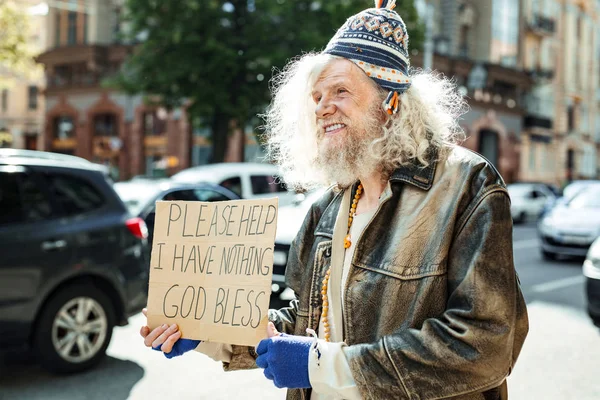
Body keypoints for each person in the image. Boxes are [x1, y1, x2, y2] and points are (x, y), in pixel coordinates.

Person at [140, 1, 529, 399]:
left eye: (341, 91)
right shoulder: (326, 206)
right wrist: (205, 331)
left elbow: (486, 342)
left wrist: (324, 365)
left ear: (391, 101)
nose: (323, 107)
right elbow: (304, 324)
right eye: (317, 96)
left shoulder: (465, 184)